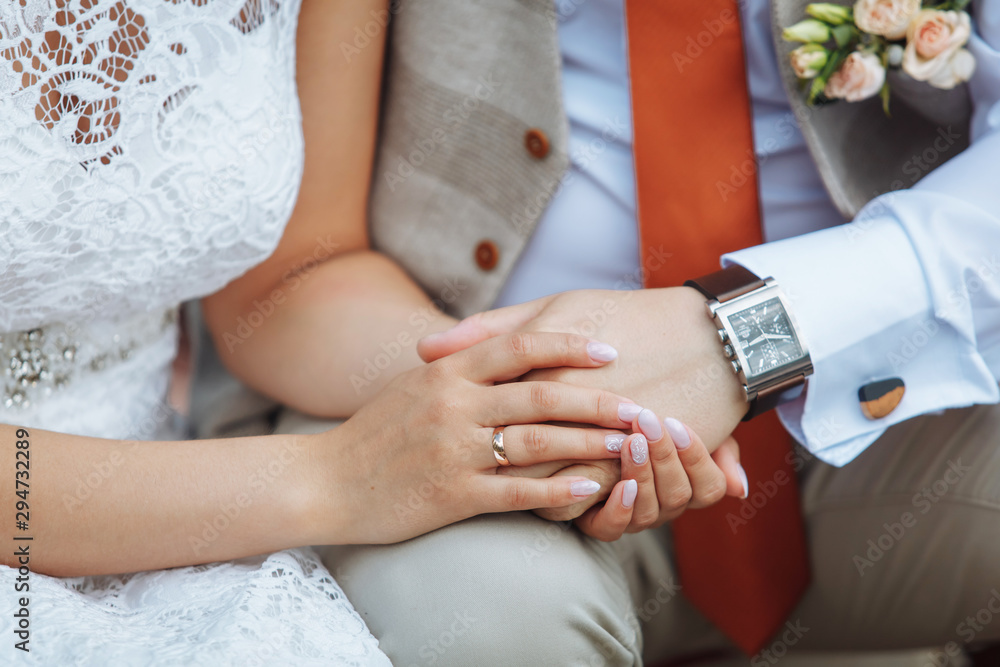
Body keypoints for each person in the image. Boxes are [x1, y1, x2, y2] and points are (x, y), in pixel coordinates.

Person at [195, 0, 1000, 664]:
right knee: (491, 631)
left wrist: (750, 331)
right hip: (439, 394)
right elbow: (296, 273)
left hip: (879, 392)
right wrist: (540, 401)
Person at [0, 0, 739, 663]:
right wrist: (335, 475)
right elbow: (337, 475)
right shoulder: (323, 475)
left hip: (156, 470)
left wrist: (541, 398)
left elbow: (295, 275)